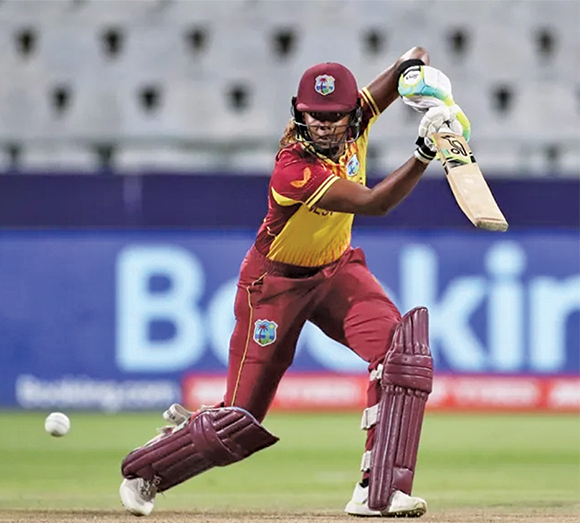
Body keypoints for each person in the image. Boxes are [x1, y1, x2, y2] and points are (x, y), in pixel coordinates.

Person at [118, 46, 470, 518]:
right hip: (274, 287)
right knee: (238, 423)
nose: (324, 125)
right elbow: (375, 203)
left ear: (351, 115)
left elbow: (407, 65)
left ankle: (378, 491)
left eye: (335, 117)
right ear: (299, 113)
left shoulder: (358, 120)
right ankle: (150, 467)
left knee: (400, 353)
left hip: (337, 271)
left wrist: (419, 79)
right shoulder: (294, 168)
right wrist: (425, 152)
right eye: (314, 116)